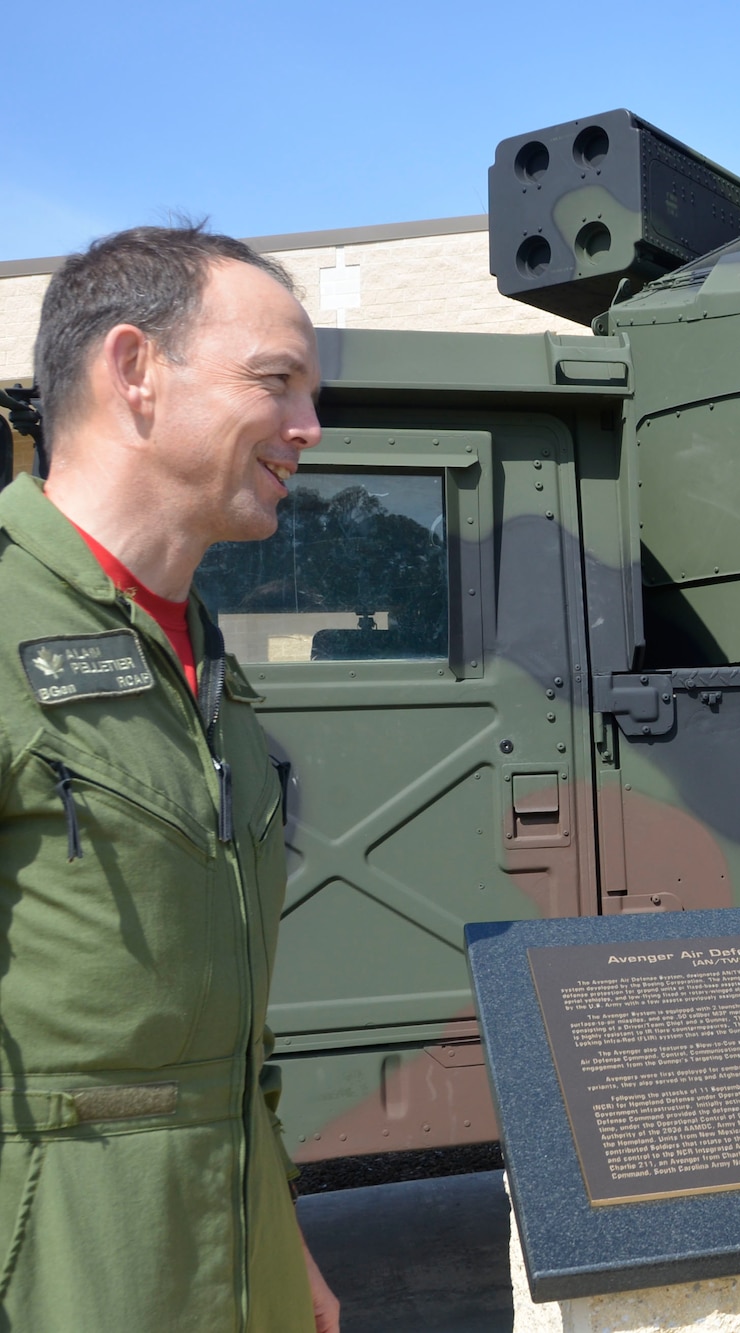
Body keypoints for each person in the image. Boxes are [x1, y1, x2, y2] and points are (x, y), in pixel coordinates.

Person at [0, 225, 340, 1330]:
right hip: (72, 1274)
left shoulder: (198, 649)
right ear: (135, 370)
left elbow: (231, 1047)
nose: (309, 428)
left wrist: (286, 1254)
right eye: (275, 383)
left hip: (242, 1269)